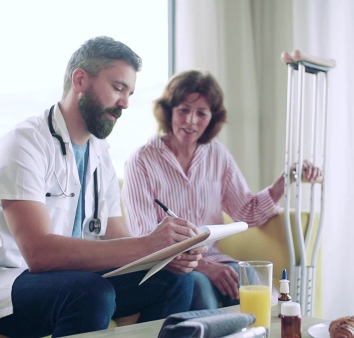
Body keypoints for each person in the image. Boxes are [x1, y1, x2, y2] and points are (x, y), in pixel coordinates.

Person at [0, 37, 206, 338]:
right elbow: (39, 254)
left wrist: (167, 253)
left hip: (68, 280)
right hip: (0, 280)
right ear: (81, 80)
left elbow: (116, 235)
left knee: (176, 280)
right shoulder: (24, 143)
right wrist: (148, 243)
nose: (125, 102)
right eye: (117, 88)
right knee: (91, 293)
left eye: (129, 93)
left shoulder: (100, 153)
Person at [121, 70, 322, 310]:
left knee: (262, 293)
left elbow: (247, 211)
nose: (191, 121)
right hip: (169, 269)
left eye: (201, 113)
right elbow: (146, 238)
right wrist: (204, 267)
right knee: (201, 288)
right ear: (169, 110)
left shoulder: (218, 155)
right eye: (184, 109)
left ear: (212, 118)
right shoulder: (141, 161)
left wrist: (287, 178)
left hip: (217, 259)